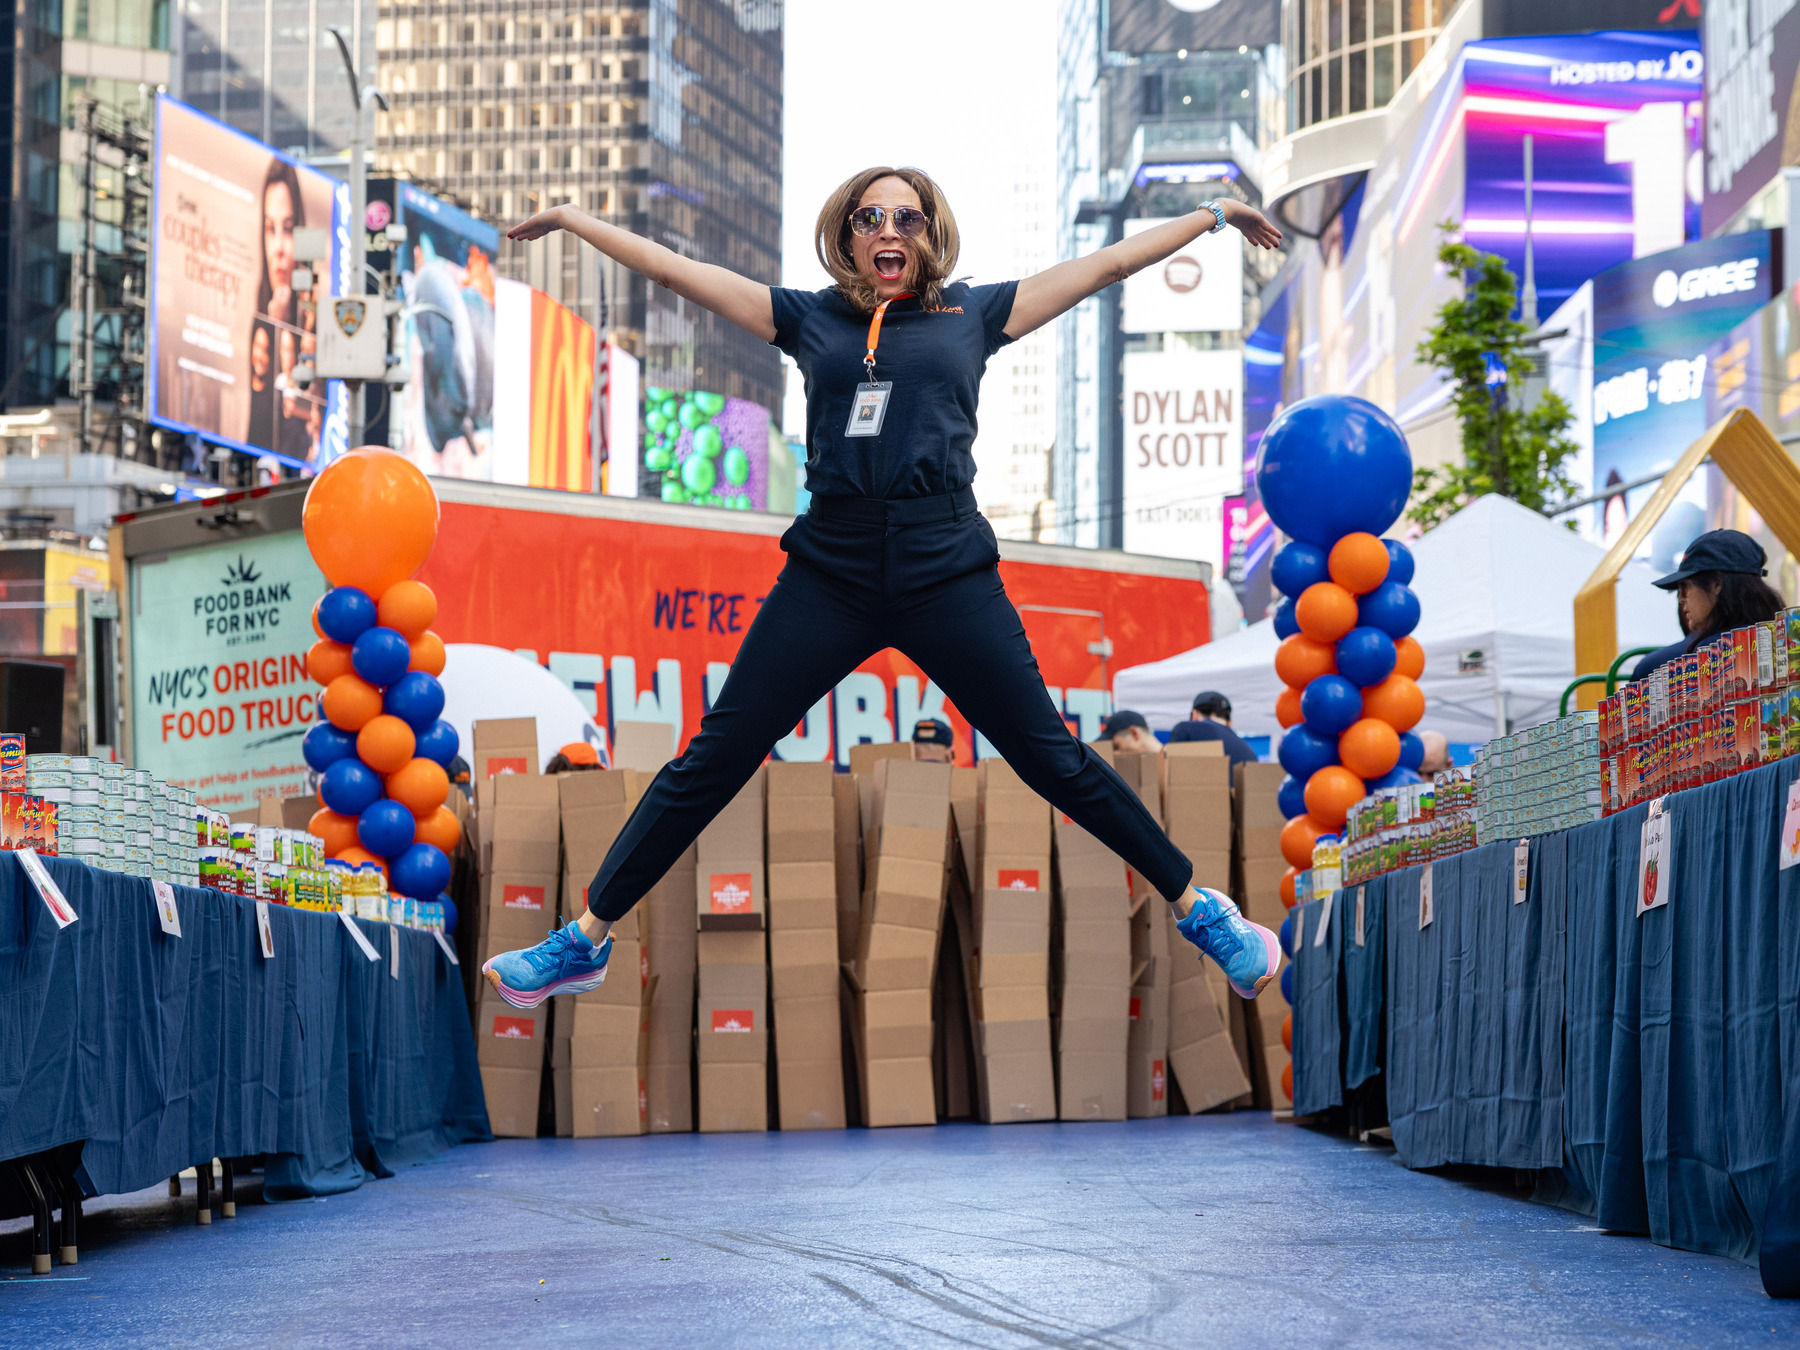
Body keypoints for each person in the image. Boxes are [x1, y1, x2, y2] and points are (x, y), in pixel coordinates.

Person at [481, 166, 1285, 1011]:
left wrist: (1214, 215)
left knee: (1052, 758)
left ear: (931, 232)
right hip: (833, 568)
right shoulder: (811, 318)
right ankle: (584, 941)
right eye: (871, 217)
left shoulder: (974, 311)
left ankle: (1204, 914)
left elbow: (1107, 268)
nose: (889, 230)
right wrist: (576, 218)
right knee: (712, 758)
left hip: (946, 566)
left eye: (909, 217)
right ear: (848, 233)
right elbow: (677, 272)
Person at [1630, 529, 1784, 681]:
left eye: (1685, 586)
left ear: (1716, 583)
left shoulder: (1708, 654)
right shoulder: (1785, 641)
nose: (1681, 598)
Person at [1166, 690, 1257, 768]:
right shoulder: (1249, 750)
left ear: (1195, 715)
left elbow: (1169, 771)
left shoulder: (1185, 729)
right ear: (1230, 722)